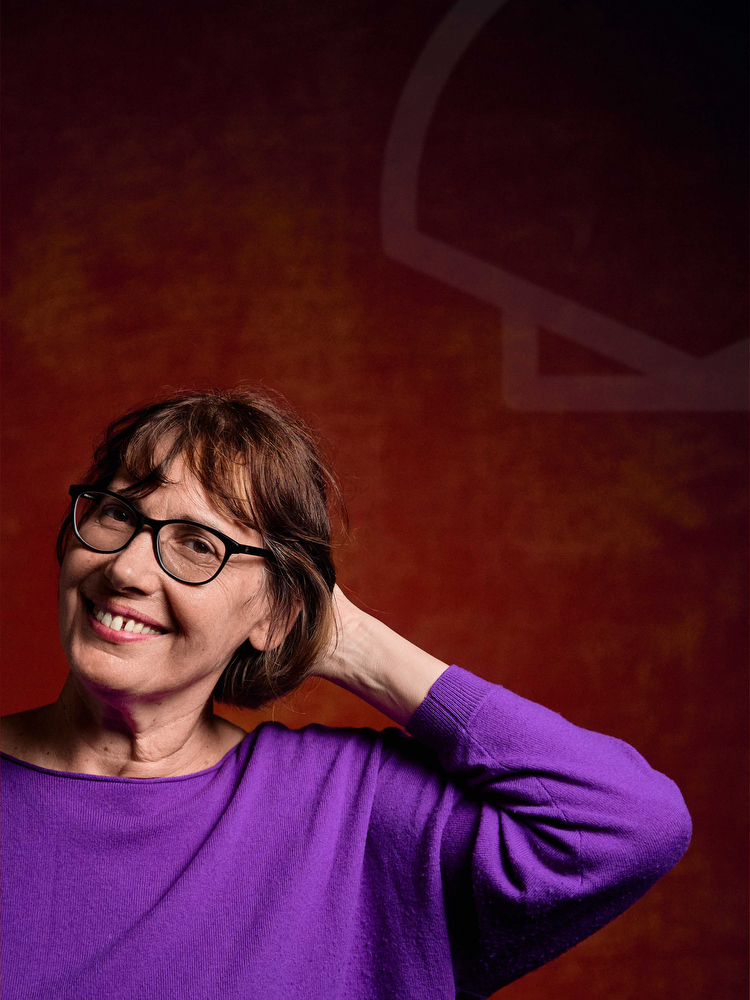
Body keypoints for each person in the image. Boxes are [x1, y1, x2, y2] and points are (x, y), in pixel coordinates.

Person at [0, 386, 692, 1000]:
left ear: (274, 616)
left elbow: (628, 823)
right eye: (117, 513)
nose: (126, 568)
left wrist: (352, 642)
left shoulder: (347, 810)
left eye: (198, 545)